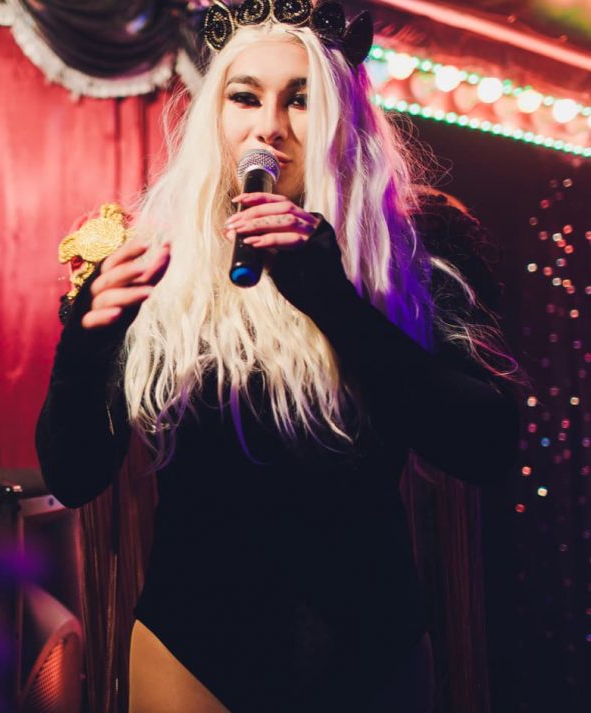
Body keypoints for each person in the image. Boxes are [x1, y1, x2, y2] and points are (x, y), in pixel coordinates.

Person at [35, 1, 520, 711]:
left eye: (301, 98)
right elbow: (72, 475)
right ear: (215, 115)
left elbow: (486, 444)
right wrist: (85, 344)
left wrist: (332, 299)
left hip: (373, 646)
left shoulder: (420, 249)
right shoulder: (147, 254)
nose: (269, 126)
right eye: (245, 97)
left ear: (342, 116)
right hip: (193, 648)